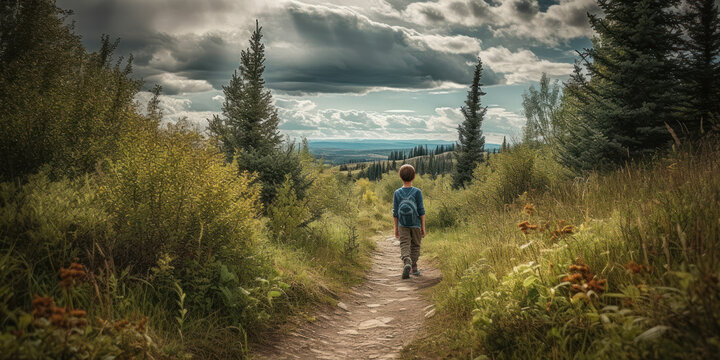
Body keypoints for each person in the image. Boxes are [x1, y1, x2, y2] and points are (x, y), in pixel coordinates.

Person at [392, 164, 426, 279]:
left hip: (402, 224)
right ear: (414, 177)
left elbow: (395, 213)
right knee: (416, 245)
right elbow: (421, 211)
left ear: (400, 177)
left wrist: (396, 228)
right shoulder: (417, 192)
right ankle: (413, 267)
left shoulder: (397, 193)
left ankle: (407, 261)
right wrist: (423, 227)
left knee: (404, 244)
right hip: (415, 223)